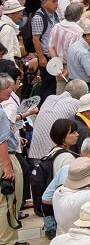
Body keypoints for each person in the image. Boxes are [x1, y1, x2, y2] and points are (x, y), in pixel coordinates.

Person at [29, 80, 87, 158]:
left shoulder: (49, 98)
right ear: (82, 96)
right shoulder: (76, 103)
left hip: (35, 150)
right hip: (54, 154)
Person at [0, 74, 23, 245]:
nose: (10, 90)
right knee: (8, 201)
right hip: (5, 158)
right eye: (7, 87)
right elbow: (1, 141)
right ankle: (8, 241)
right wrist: (7, 166)